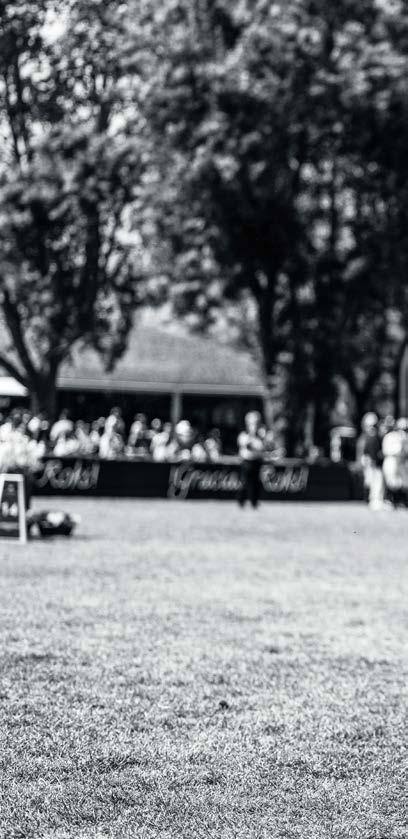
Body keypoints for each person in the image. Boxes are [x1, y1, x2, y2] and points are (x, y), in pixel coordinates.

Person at [237, 411, 265, 508]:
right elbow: (248, 446)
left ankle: (254, 502)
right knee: (245, 482)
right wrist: (252, 435)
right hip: (246, 462)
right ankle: (241, 501)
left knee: (256, 483)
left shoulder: (261, 435)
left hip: (257, 461)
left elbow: (262, 447)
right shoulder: (243, 435)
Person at [357, 412, 384, 510]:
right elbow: (365, 451)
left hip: (370, 461)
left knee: (371, 480)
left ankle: (371, 500)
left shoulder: (369, 436)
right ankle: (372, 500)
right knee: (373, 481)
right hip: (370, 461)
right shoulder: (369, 436)